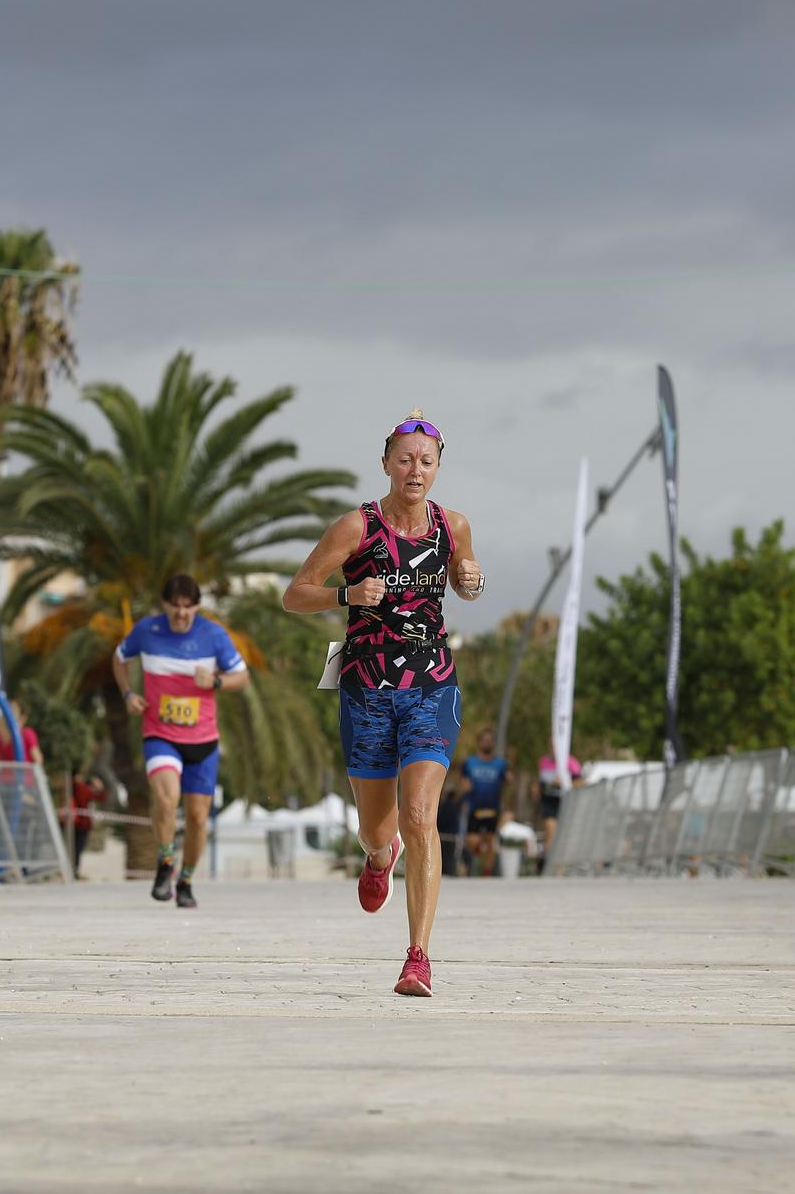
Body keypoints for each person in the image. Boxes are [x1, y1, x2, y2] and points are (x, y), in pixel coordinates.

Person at [282, 411, 484, 997]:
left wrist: (471, 582)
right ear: (386, 463)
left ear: (438, 466)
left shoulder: (453, 526)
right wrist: (346, 593)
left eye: (426, 461)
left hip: (431, 683)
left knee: (422, 815)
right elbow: (295, 595)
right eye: (404, 459)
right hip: (366, 689)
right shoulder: (356, 528)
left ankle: (418, 956)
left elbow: (466, 584)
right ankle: (378, 857)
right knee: (378, 827)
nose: (414, 470)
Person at [113, 573, 250, 909]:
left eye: (188, 608)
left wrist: (216, 681)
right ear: (165, 605)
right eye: (175, 607)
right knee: (165, 797)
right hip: (161, 734)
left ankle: (186, 880)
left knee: (198, 818)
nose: (181, 614)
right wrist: (128, 693)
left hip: (203, 740)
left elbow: (242, 676)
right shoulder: (146, 630)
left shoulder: (213, 635)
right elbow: (119, 658)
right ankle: (164, 863)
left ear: (197, 607)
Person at [457, 726, 512, 878]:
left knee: (490, 841)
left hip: (493, 808)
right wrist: (463, 789)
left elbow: (508, 785)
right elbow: (462, 783)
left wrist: (508, 808)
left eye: (490, 740)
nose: (487, 743)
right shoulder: (469, 762)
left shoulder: (500, 764)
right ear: (479, 742)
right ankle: (478, 850)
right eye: (484, 740)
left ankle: (486, 873)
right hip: (474, 807)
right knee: (473, 841)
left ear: (493, 743)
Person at [536, 744, 583, 863]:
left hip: (566, 803)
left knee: (562, 835)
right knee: (550, 830)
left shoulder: (571, 762)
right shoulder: (543, 762)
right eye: (550, 746)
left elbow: (581, 782)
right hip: (548, 802)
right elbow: (540, 783)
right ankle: (549, 864)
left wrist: (565, 782)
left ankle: (560, 865)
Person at [68, 761, 106, 880]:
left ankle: (73, 870)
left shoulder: (74, 787)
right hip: (80, 824)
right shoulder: (81, 788)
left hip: (76, 823)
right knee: (77, 848)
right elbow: (99, 797)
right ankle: (73, 871)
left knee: (74, 848)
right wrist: (99, 787)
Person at [0, 696, 41, 763]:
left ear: (22, 719)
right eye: (7, 710)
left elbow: (38, 760)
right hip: (6, 772)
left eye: (13, 711)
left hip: (25, 772)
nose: (9, 714)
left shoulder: (27, 734)